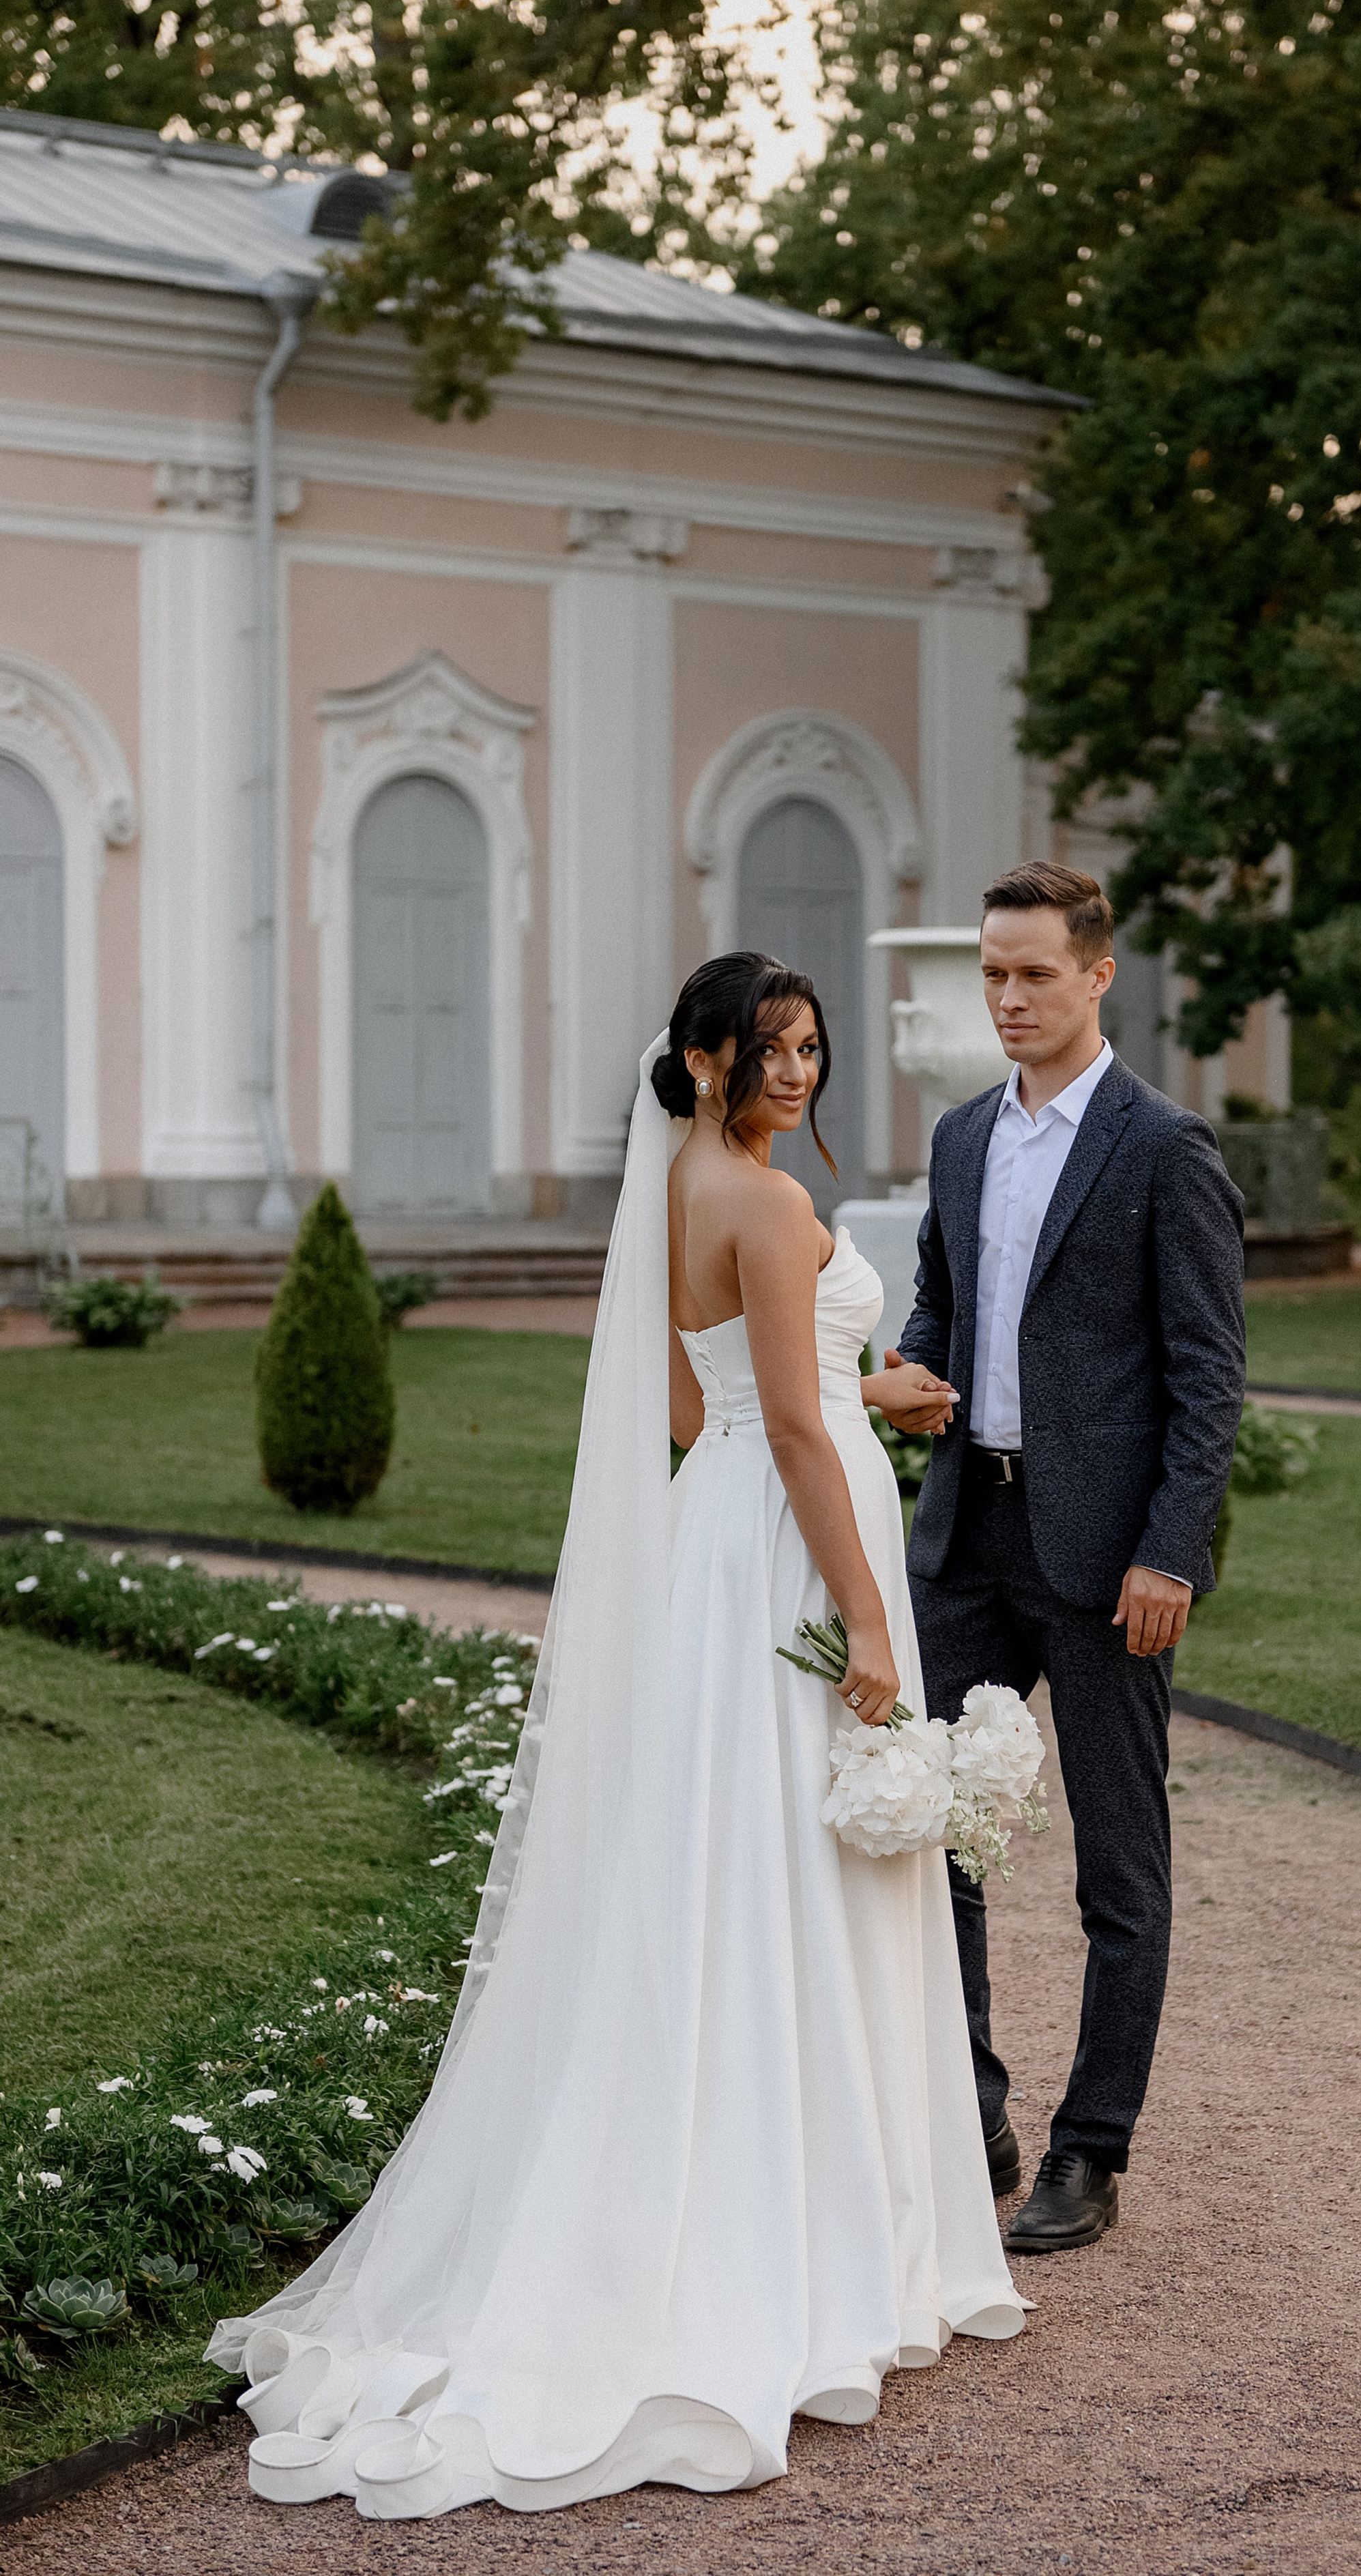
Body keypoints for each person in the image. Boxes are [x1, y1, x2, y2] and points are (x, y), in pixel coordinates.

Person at [207, 953, 1022, 2521]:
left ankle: (795, 2187)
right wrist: (862, 1611)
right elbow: (787, 1422)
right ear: (706, 1060)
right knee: (801, 1843)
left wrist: (866, 1400)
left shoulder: (680, 1196)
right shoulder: (773, 1209)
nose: (797, 1072)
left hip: (722, 1533)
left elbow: (699, 1401)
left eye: (808, 1048)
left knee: (731, 1846)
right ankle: (813, 2231)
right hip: (793, 1539)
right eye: (769, 1051)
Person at [887, 863, 1246, 2255]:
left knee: (1118, 1868)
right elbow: (939, 1304)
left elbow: (1207, 1376)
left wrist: (1170, 1553)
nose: (1007, 997)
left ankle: (1087, 2150)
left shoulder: (1165, 1148)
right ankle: (967, 2103)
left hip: (1106, 1566)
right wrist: (903, 1376)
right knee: (926, 1836)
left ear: (1098, 976)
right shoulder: (961, 1135)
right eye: (991, 971)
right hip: (961, 1539)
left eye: (1032, 972)